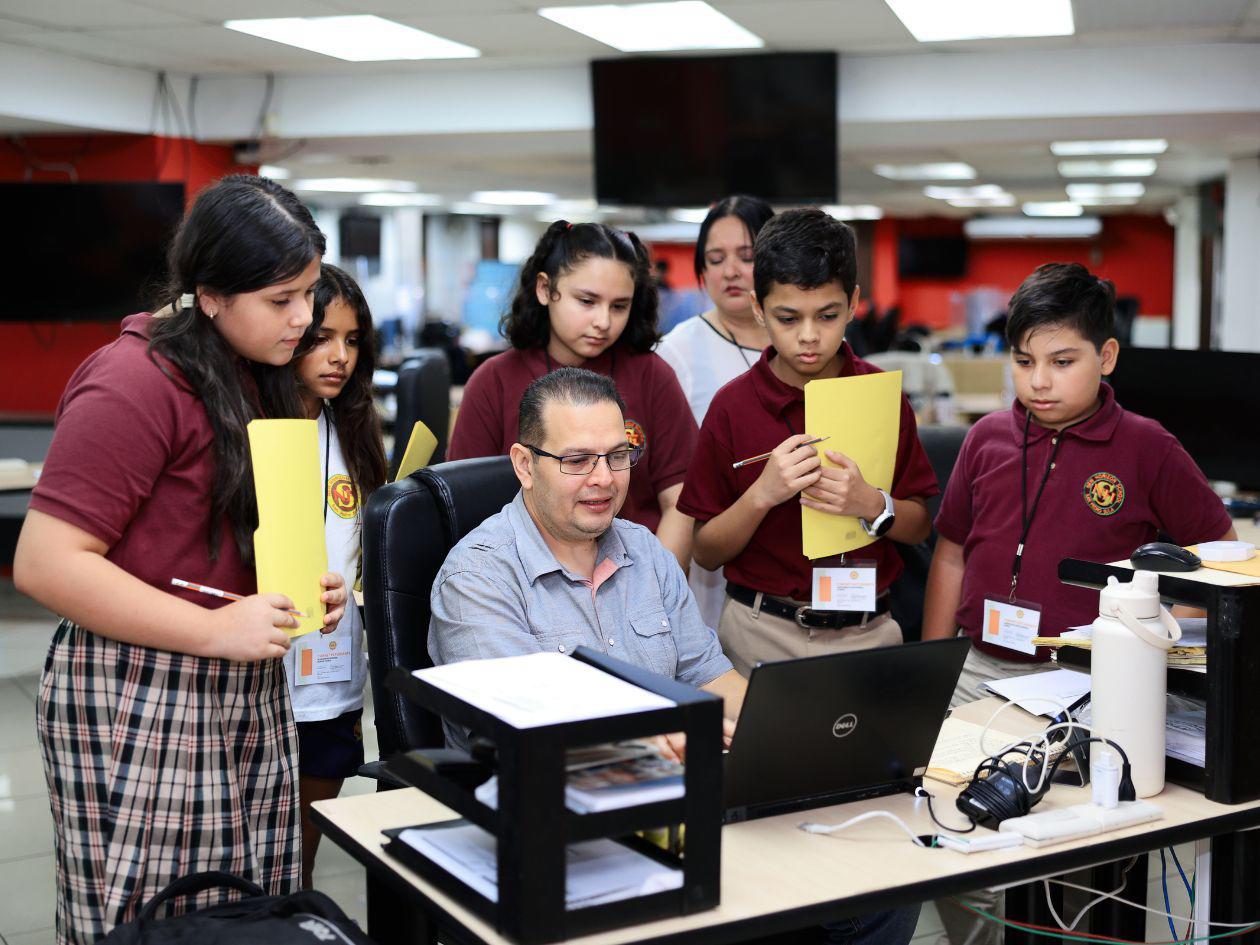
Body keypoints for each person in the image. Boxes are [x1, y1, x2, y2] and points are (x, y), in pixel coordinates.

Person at [14, 174, 348, 944]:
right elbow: (46, 563)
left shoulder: (252, 371)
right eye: (281, 299)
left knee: (243, 907)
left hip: (237, 677)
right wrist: (213, 629)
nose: (303, 319)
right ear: (209, 293)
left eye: (309, 293)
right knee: (154, 917)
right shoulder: (134, 381)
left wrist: (295, 587)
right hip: (141, 686)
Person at [921, 262, 1235, 945]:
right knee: (958, 841)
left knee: (1076, 865)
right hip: (979, 673)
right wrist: (936, 661)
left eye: (1062, 361)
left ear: (1106, 356)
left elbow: (1219, 555)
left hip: (1088, 690)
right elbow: (950, 551)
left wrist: (1160, 627)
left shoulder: (1148, 446)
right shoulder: (985, 438)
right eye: (1024, 360)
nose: (1038, 380)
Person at [678, 208, 939, 677]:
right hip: (762, 631)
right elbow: (706, 551)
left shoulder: (882, 395)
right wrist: (761, 495)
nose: (809, 336)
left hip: (869, 629)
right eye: (787, 317)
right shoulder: (732, 406)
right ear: (759, 309)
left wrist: (871, 503)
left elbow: (919, 526)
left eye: (827, 315)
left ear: (854, 303)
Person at [432, 367, 744, 753]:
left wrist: (780, 720)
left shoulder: (645, 550)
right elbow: (520, 728)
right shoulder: (477, 578)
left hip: (669, 785)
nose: (605, 479)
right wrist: (650, 739)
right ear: (525, 465)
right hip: (533, 799)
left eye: (618, 456)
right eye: (578, 460)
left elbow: (707, 676)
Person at [447, 221, 697, 570]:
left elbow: (680, 503)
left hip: (633, 581)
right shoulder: (494, 380)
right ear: (545, 289)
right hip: (521, 588)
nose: (603, 322)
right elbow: (465, 511)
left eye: (619, 306)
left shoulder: (652, 375)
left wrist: (653, 588)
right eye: (587, 301)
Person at [284, 263, 388, 889]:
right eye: (323, 337)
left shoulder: (351, 430)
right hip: (264, 669)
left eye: (351, 341)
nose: (338, 356)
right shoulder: (250, 429)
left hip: (334, 670)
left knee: (303, 853)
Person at [656, 196, 775, 629]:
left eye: (747, 256)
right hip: (710, 558)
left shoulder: (806, 346)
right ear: (701, 271)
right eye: (716, 258)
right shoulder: (677, 352)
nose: (731, 271)